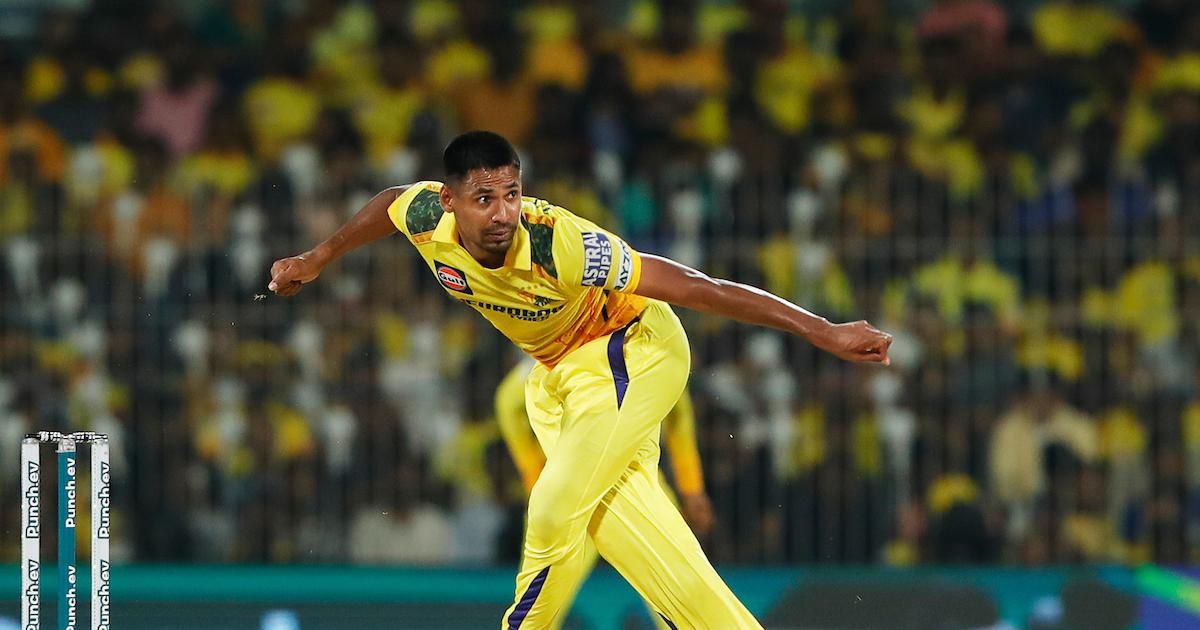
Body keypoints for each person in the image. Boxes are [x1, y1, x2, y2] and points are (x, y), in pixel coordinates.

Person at [268, 131, 892, 629]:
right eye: (484, 198)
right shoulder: (425, 214)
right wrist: (317, 257)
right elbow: (387, 204)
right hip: (558, 377)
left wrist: (821, 330)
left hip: (633, 350)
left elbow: (694, 286)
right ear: (450, 200)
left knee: (554, 509)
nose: (503, 213)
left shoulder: (556, 243)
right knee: (635, 538)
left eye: (511, 194)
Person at [496, 357, 713, 629]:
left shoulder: (565, 347)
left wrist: (534, 473)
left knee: (542, 602)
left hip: (579, 487)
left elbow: (507, 403)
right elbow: (679, 409)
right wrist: (691, 488)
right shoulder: (642, 345)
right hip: (628, 484)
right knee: (675, 590)